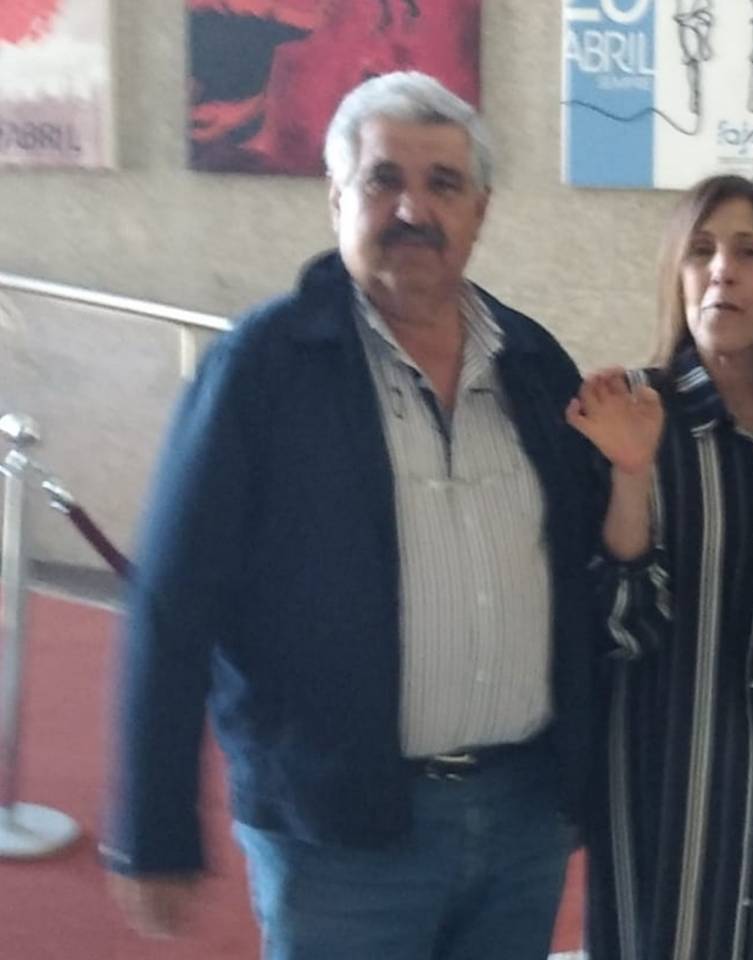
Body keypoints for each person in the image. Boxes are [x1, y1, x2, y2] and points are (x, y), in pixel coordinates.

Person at [103, 71, 605, 960]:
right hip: (340, 834)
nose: (414, 209)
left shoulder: (533, 364)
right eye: (383, 180)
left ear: (480, 209)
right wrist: (154, 828)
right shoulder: (259, 369)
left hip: (522, 818)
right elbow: (172, 604)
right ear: (337, 197)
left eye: (443, 184)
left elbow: (587, 574)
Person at [565, 174, 753, 959]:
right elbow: (617, 629)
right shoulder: (627, 413)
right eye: (701, 251)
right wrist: (631, 474)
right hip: (666, 795)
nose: (722, 270)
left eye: (748, 253)